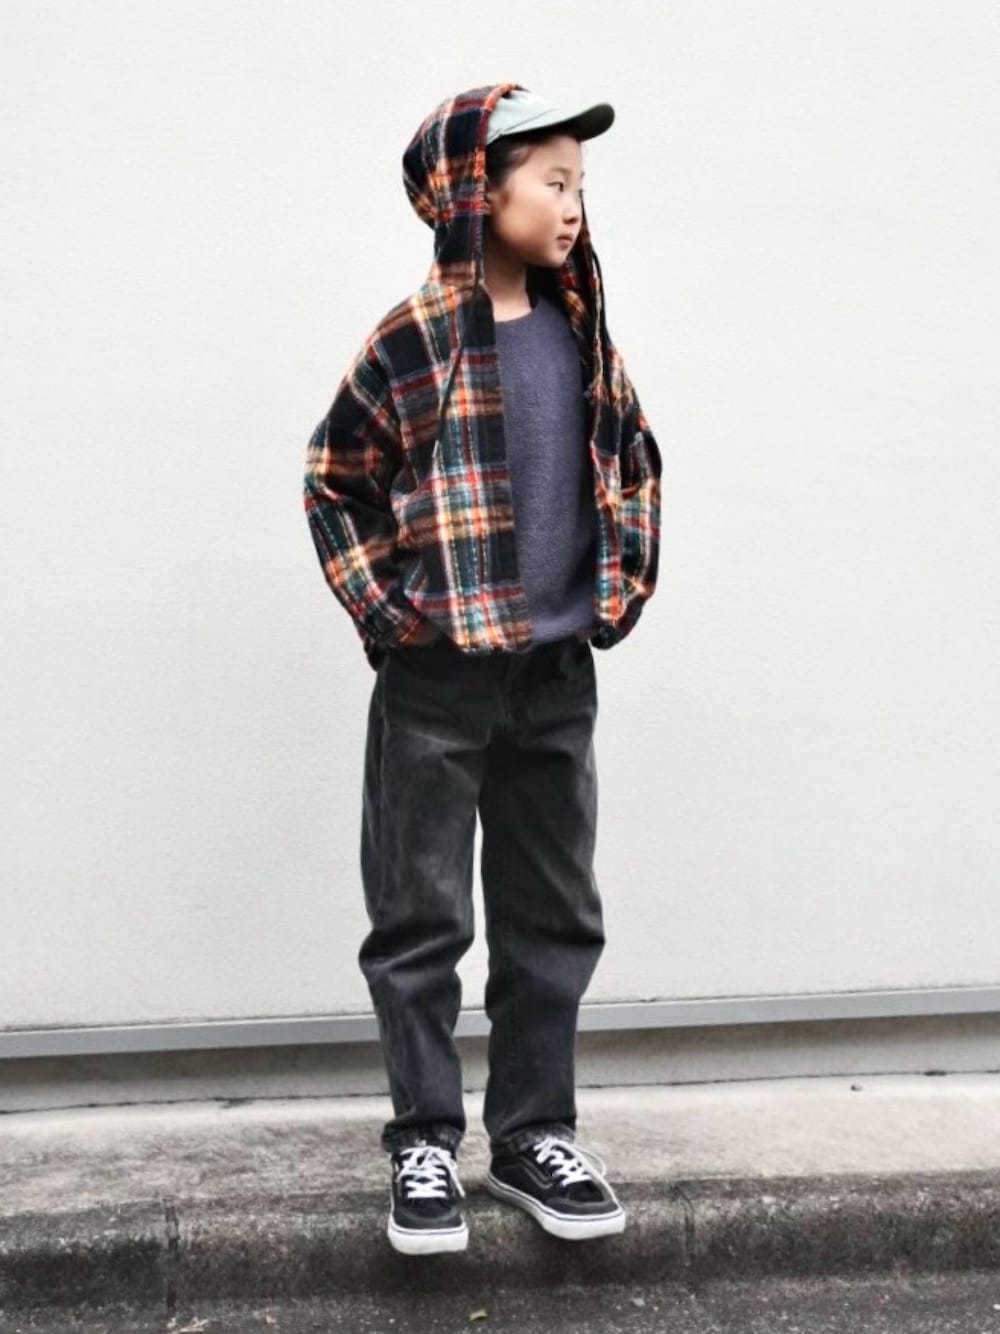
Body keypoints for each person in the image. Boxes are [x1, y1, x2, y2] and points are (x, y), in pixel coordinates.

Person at [303, 83, 662, 1256]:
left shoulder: (579, 328)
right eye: (551, 182)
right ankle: (421, 1138)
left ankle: (532, 1133)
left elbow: (632, 455)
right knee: (419, 913)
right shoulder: (412, 340)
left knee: (552, 911)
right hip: (438, 678)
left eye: (580, 187)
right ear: (475, 193)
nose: (572, 206)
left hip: (553, 673)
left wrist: (619, 586)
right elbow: (335, 480)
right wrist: (391, 613)